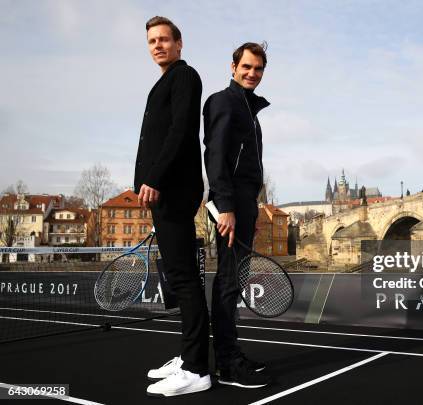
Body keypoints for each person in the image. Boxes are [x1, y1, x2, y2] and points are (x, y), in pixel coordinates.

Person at [134, 16, 210, 397]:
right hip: (161, 192)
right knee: (181, 278)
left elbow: (181, 131)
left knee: (184, 280)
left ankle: (197, 368)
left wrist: (155, 178)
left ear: (179, 44)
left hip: (173, 191)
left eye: (164, 39)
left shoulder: (185, 76)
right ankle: (188, 356)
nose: (158, 45)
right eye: (152, 40)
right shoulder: (163, 81)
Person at [203, 42, 271, 388]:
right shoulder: (223, 102)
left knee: (236, 280)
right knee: (229, 282)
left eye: (258, 69)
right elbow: (215, 158)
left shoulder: (248, 110)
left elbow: (248, 167)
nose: (252, 73)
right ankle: (227, 364)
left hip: (245, 204)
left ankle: (232, 353)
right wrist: (226, 206)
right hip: (230, 205)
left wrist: (253, 208)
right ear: (233, 67)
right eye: (246, 67)